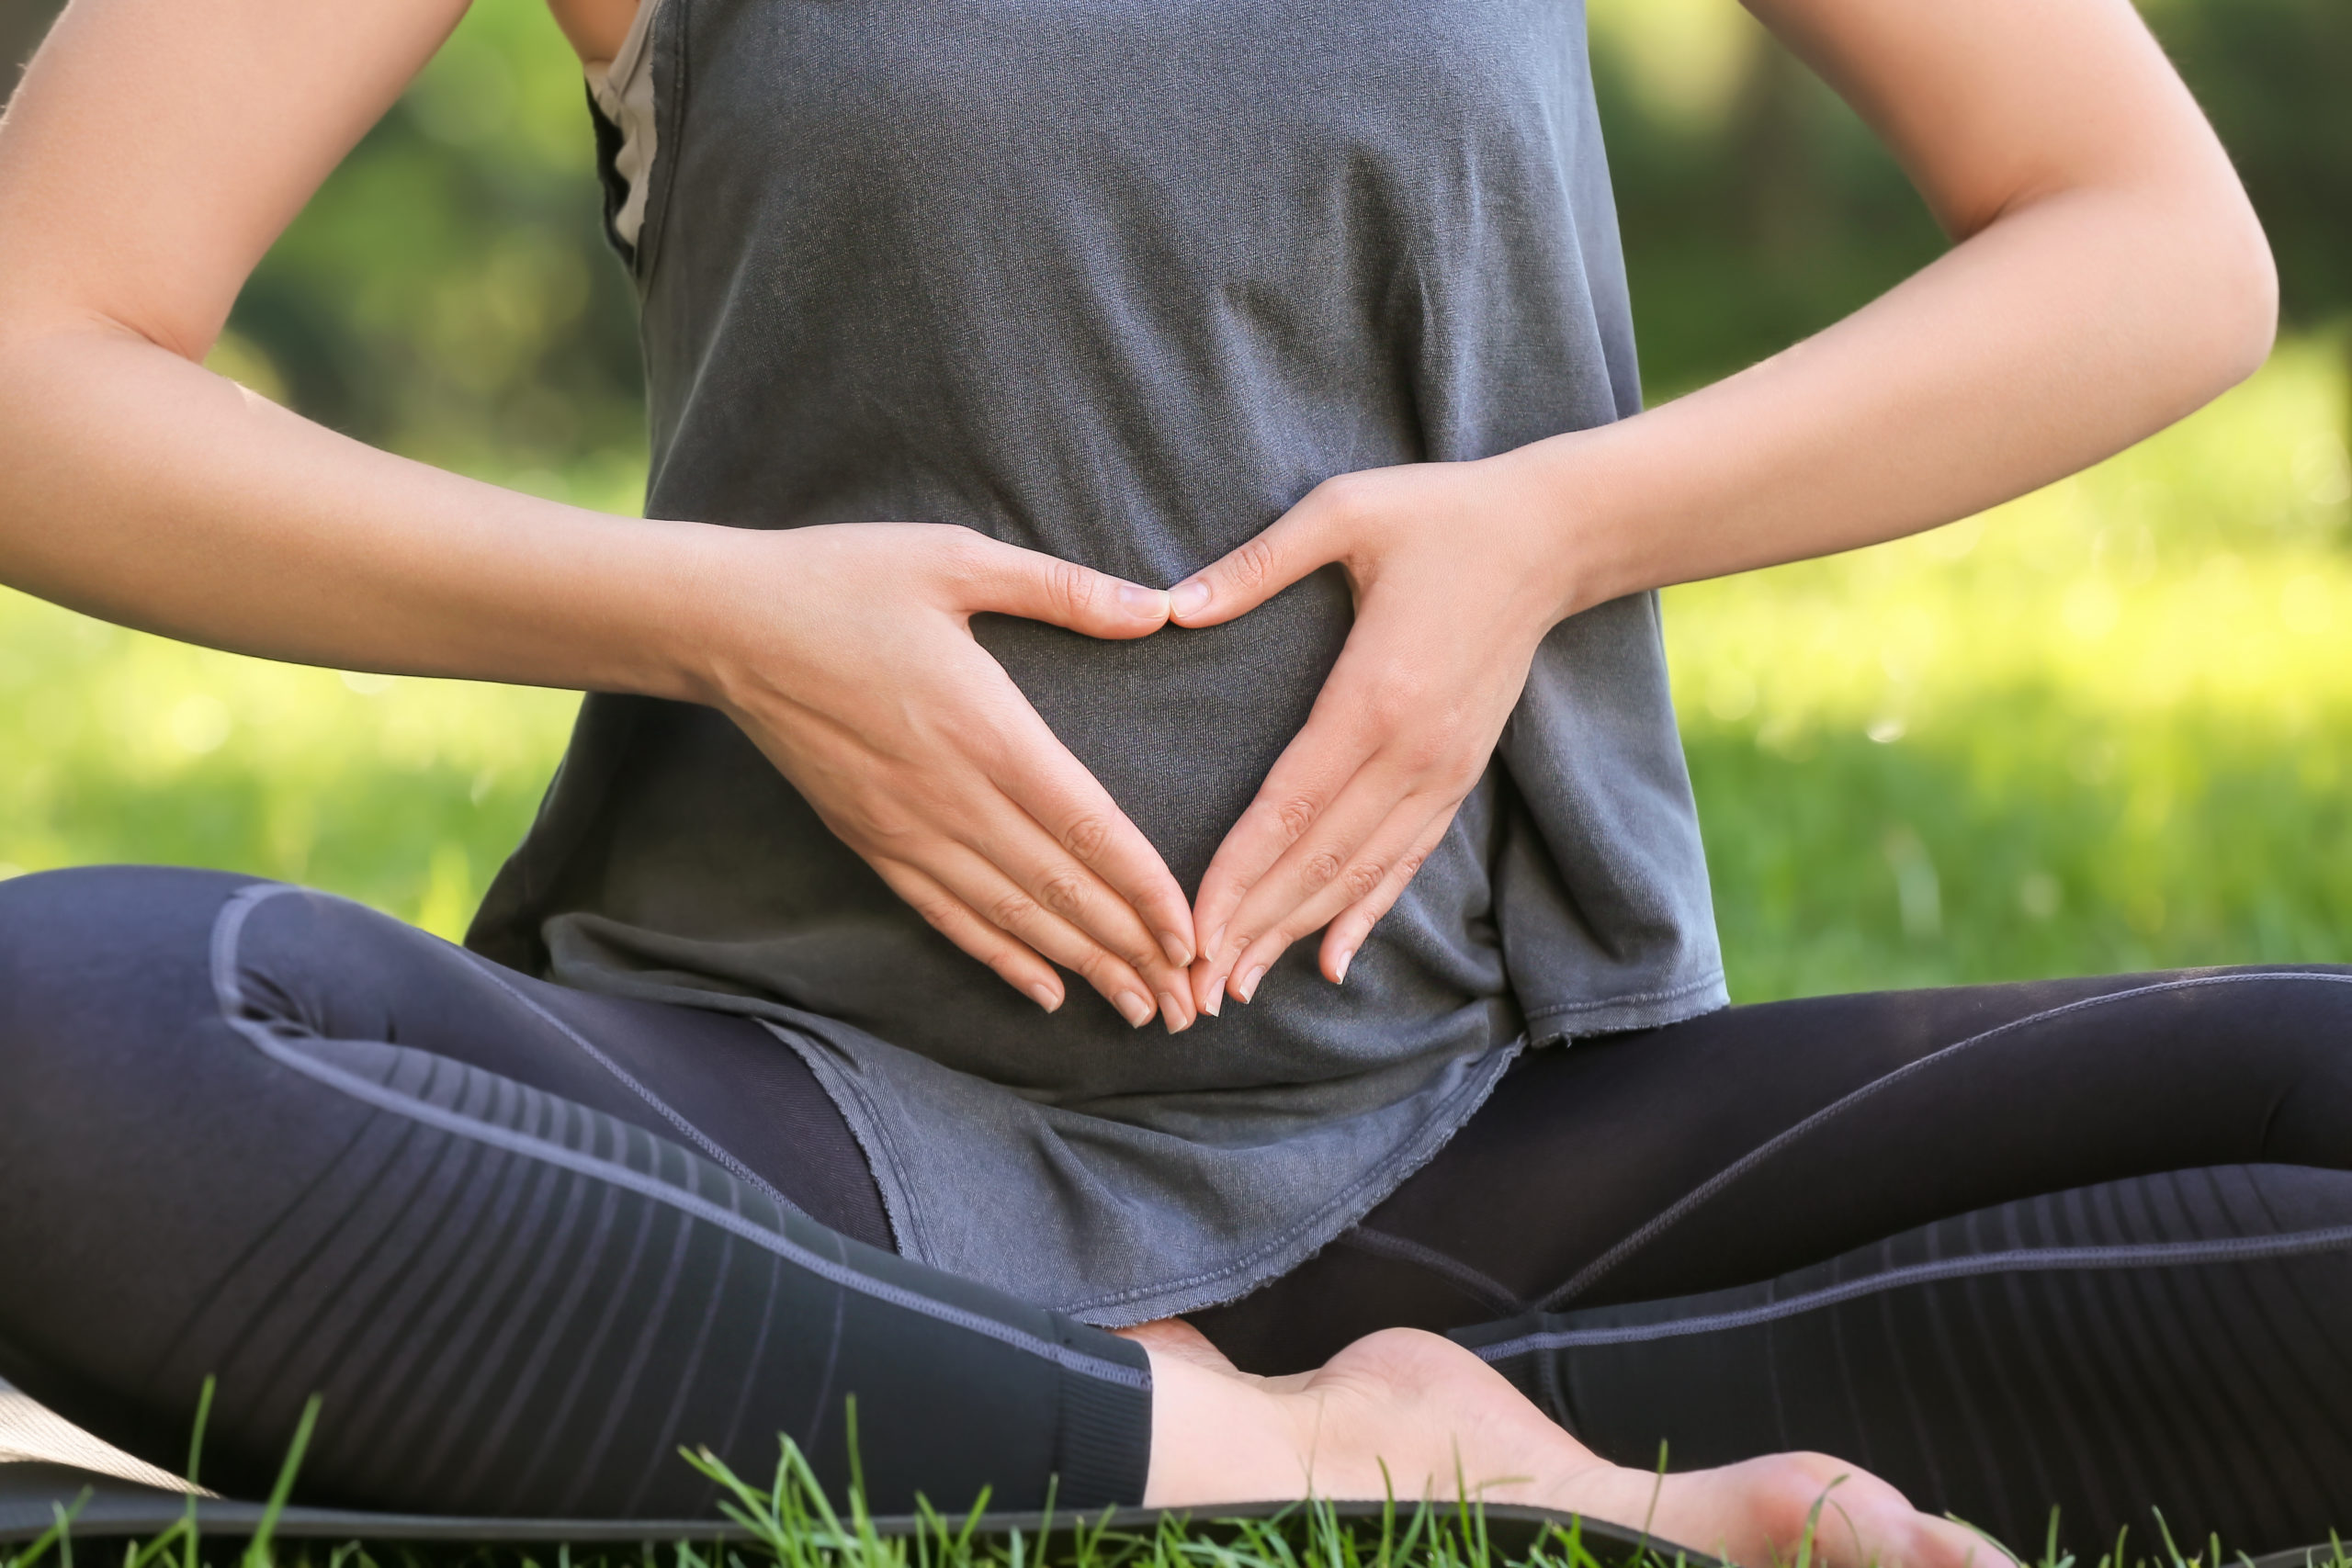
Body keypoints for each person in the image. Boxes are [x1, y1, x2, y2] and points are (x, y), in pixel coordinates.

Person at [0, 0, 2341, 1559]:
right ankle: (1336, 1459)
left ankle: (879, 1421)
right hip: (804, 1134)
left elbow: (2145, 236)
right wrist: (706, 606)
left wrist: (1551, 523)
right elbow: (33, 345)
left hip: (1483, 1132)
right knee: (64, 1042)